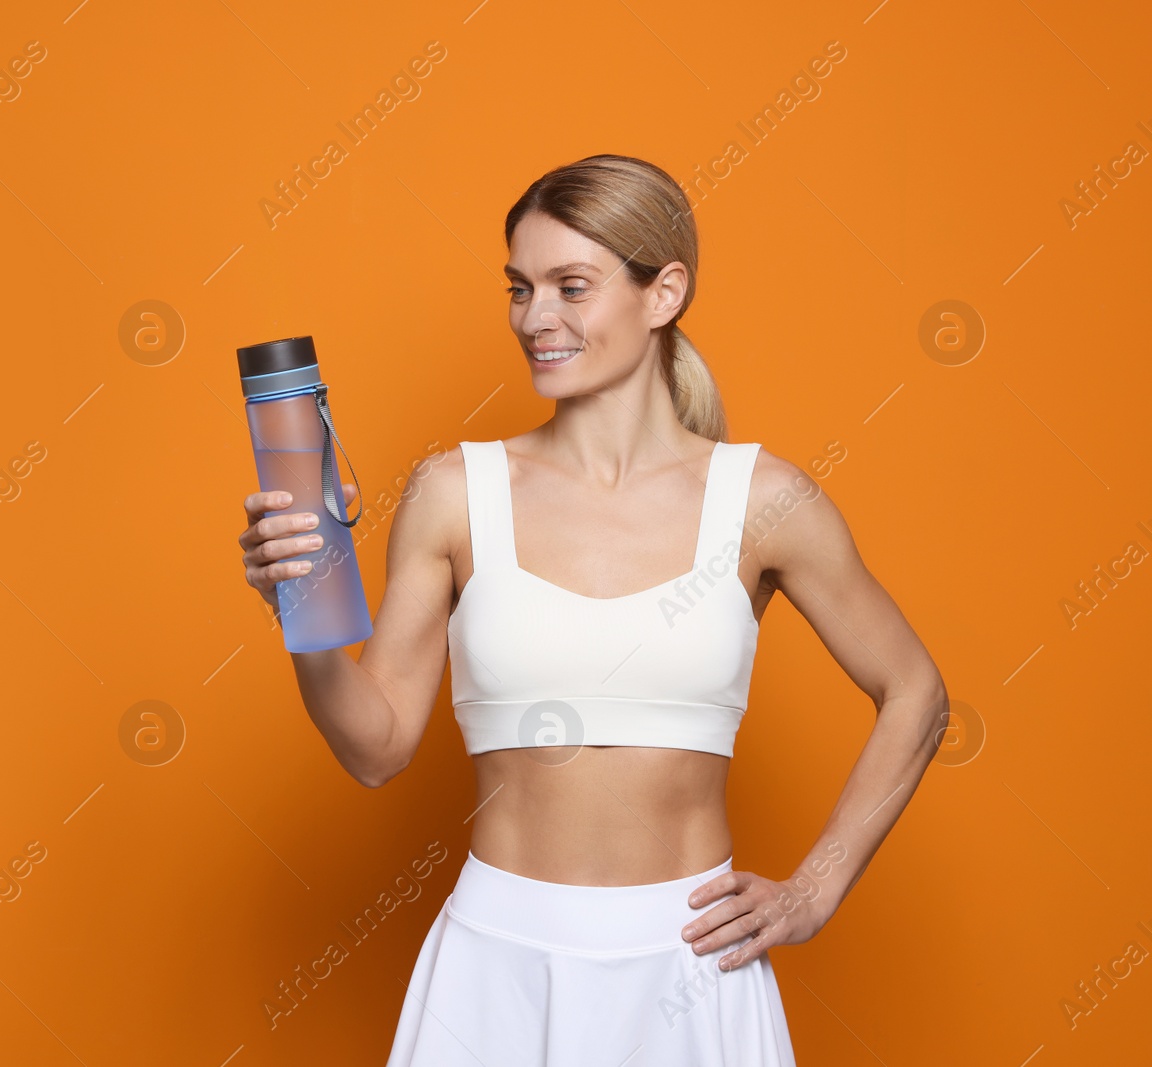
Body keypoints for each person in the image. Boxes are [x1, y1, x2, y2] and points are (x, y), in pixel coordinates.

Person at [236, 154, 947, 1066]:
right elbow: (376, 751)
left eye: (571, 286)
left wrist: (815, 888)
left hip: (693, 971)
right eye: (520, 288)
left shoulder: (764, 501)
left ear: (664, 293)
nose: (536, 318)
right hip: (494, 970)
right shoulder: (455, 493)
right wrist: (302, 609)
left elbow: (916, 691)